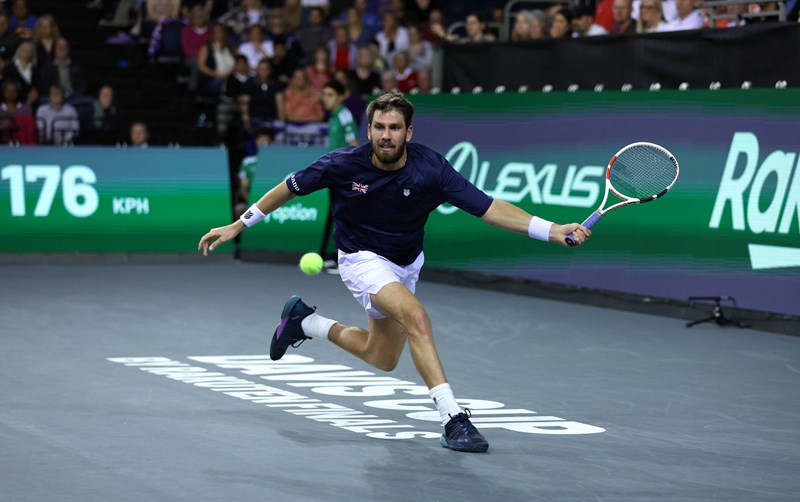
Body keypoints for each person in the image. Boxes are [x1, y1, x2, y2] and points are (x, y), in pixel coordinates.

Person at [197, 91, 591, 453]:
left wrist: (552, 230)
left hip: (406, 263)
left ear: (409, 131)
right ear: (369, 129)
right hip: (361, 259)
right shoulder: (343, 163)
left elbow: (489, 208)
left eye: (395, 128)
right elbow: (289, 187)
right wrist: (239, 224)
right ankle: (453, 419)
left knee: (382, 356)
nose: (386, 136)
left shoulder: (431, 169)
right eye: (380, 128)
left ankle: (305, 323)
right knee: (416, 316)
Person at [316, 79, 358, 273]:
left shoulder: (344, 116)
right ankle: (331, 256)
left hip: (344, 175)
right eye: (324, 94)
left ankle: (337, 258)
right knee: (335, 213)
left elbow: (354, 145)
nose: (326, 99)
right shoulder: (333, 116)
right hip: (334, 173)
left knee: (342, 215)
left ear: (340, 97)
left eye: (330, 95)